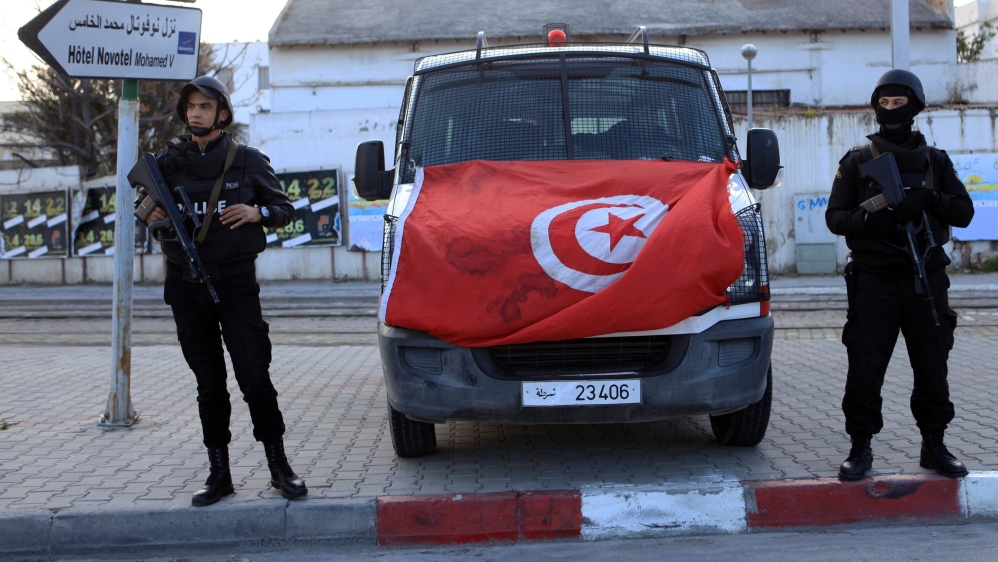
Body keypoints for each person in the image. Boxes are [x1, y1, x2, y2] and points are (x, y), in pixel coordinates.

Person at [137, 76, 306, 506]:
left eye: (205, 107)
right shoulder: (165, 162)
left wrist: (256, 211)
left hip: (234, 283)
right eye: (191, 106)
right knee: (209, 384)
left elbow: (285, 209)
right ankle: (219, 474)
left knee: (254, 376)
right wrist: (149, 210)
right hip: (184, 285)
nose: (196, 113)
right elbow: (142, 208)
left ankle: (279, 467)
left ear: (222, 113)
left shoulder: (246, 160)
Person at [825, 69, 974, 481]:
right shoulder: (857, 162)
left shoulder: (935, 162)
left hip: (925, 277)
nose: (891, 110)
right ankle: (860, 446)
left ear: (916, 106)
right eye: (884, 103)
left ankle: (934, 444)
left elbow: (964, 212)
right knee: (866, 367)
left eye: (899, 102)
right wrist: (872, 219)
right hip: (874, 280)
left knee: (932, 366)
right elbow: (835, 218)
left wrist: (931, 198)